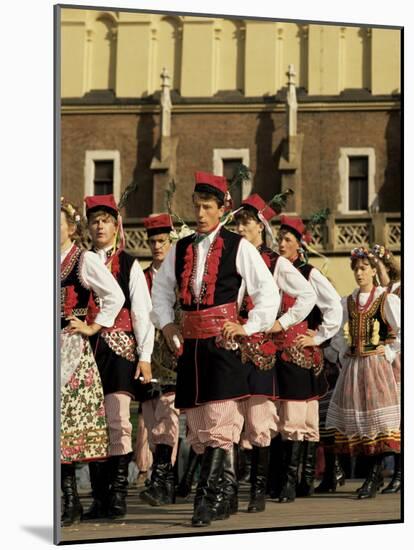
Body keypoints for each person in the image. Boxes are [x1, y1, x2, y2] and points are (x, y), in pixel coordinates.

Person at [151, 171, 279, 527]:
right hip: (191, 347)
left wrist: (247, 326)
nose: (201, 213)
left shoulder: (239, 247)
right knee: (200, 427)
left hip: (223, 345)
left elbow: (267, 294)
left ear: (223, 208)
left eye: (207, 207)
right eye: (197, 206)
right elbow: (161, 290)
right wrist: (166, 323)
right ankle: (226, 495)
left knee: (221, 420)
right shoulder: (181, 247)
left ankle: (207, 500)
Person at [224, 194, 316, 513]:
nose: (240, 228)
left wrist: (283, 321)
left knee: (260, 421)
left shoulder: (275, 263)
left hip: (261, 350)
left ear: (261, 228)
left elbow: (307, 295)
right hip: (231, 350)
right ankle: (232, 490)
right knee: (229, 422)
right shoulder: (229, 260)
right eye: (237, 223)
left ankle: (258, 492)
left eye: (246, 223)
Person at [82, 194, 155, 519]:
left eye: (105, 220)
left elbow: (142, 311)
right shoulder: (78, 262)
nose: (99, 225)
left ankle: (118, 497)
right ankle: (99, 497)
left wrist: (145, 355)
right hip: (84, 352)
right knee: (91, 425)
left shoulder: (128, 265)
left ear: (116, 226)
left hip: (120, 351)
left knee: (118, 421)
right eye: (94, 220)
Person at [60, 198, 124, 526]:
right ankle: (66, 498)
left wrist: (94, 326)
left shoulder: (82, 259)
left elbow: (114, 295)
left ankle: (72, 500)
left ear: (72, 228)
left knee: (69, 425)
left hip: (71, 348)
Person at [270, 214, 342, 503]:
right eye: (280, 239)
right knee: (280, 418)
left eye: (288, 239)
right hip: (276, 353)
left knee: (301, 418)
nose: (282, 243)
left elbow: (334, 307)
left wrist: (319, 337)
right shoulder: (273, 269)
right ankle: (288, 480)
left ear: (299, 244)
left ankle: (297, 481)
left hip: (301, 353)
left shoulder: (309, 272)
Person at [325, 247, 400, 499]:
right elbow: (338, 331)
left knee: (377, 423)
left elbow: (401, 330)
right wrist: (343, 350)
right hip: (356, 367)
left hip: (377, 367)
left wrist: (388, 351)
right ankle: (373, 475)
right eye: (356, 268)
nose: (359, 273)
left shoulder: (385, 297)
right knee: (361, 422)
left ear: (373, 271)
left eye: (364, 268)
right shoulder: (348, 300)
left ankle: (373, 475)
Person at [138, 213, 181, 507]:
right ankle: (164, 480)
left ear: (171, 241)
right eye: (152, 241)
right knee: (151, 420)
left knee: (169, 416)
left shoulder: (179, 274)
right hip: (146, 355)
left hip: (173, 355)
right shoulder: (141, 276)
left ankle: (162, 479)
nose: (157, 246)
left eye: (162, 241)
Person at [371, 244, 401, 494]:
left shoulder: (399, 291)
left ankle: (400, 473)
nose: (376, 273)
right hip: (382, 360)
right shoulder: (377, 293)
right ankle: (382, 471)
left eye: (378, 267)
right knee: (385, 417)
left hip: (398, 356)